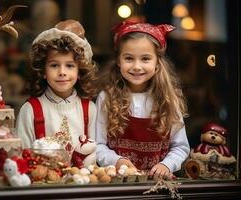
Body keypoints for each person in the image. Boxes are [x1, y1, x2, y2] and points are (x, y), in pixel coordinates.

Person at [96, 20, 190, 179]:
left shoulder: (168, 99)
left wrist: (167, 164)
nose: (137, 66)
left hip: (157, 183)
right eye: (129, 58)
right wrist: (116, 160)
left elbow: (180, 146)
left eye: (145, 59)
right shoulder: (107, 97)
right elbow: (97, 144)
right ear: (119, 61)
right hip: (118, 182)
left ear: (157, 63)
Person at [16, 19, 98, 153]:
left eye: (70, 65)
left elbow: (95, 155)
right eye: (54, 65)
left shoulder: (89, 109)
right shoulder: (30, 110)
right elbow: (21, 154)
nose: (62, 72)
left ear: (79, 71)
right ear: (43, 71)